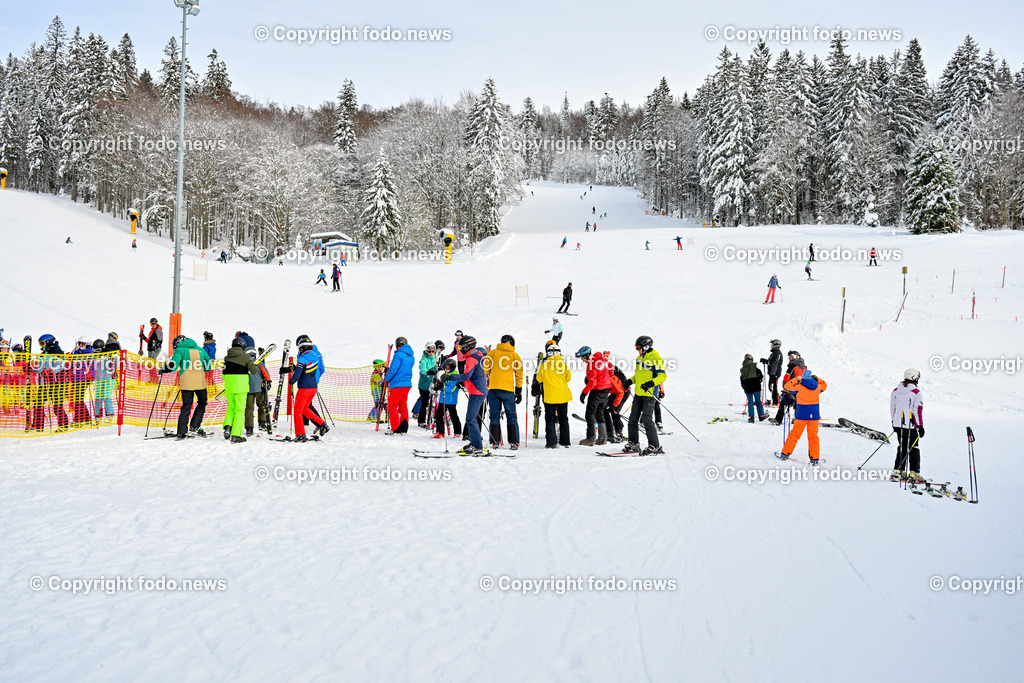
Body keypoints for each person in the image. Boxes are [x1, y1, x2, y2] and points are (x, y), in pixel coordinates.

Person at [440, 335, 488, 455]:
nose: (460, 350)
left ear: (468, 346)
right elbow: (474, 374)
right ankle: (474, 443)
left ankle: (477, 446)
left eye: (461, 347)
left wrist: (450, 377)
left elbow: (467, 376)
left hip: (477, 392)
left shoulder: (472, 359)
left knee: (470, 419)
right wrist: (463, 383)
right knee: (471, 418)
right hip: (477, 390)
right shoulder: (478, 355)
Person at [160, 335, 213, 439]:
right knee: (202, 402)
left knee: (186, 406)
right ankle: (195, 425)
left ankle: (182, 431)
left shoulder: (180, 350)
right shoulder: (200, 350)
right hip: (200, 382)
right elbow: (208, 366)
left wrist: (164, 369)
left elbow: (173, 365)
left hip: (187, 383)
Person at [624, 335, 666, 455]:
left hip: (649, 394)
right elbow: (638, 376)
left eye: (638, 347)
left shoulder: (656, 358)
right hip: (638, 393)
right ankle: (634, 443)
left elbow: (662, 376)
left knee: (647, 419)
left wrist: (650, 383)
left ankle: (654, 446)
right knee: (632, 419)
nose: (637, 350)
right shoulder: (639, 358)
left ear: (646, 347)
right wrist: (629, 381)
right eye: (636, 347)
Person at [777, 370, 827, 464]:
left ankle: (785, 453)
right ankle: (815, 458)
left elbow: (787, 386)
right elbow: (824, 384)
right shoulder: (818, 387)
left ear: (803, 378)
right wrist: (817, 380)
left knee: (794, 435)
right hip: (814, 415)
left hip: (802, 415)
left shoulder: (799, 387)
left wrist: (797, 379)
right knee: (813, 437)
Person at [483, 334, 523, 449]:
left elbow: (486, 370)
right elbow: (519, 373)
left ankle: (495, 441)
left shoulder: (492, 353)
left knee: (494, 415)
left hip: (494, 389)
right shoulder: (514, 355)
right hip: (508, 390)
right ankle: (514, 442)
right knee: (511, 415)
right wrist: (518, 390)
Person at [287, 334, 329, 442]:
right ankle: (322, 424)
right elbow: (308, 370)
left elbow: (297, 375)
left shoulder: (302, 358)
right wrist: (297, 368)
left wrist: (291, 381)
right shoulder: (315, 356)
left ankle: (300, 434)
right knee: (305, 409)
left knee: (297, 411)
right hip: (313, 387)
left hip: (304, 389)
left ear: (302, 348)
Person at [222, 337, 260, 443]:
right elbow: (254, 371)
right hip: (241, 387)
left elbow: (223, 372)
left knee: (231, 408)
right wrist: (252, 365)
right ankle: (236, 435)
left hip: (229, 387)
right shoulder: (246, 357)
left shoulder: (226, 358)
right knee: (239, 410)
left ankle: (228, 427)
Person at [535, 343, 572, 448]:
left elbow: (539, 378)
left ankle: (551, 442)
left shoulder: (544, 365)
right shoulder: (563, 365)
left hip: (550, 396)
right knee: (563, 419)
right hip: (563, 395)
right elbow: (568, 378)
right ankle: (565, 441)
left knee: (550, 419)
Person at [890, 368, 924, 480]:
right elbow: (917, 410)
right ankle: (914, 472)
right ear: (914, 378)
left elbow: (892, 408)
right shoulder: (916, 393)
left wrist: (893, 422)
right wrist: (920, 426)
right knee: (914, 447)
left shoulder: (895, 391)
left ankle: (898, 470)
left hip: (898, 424)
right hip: (911, 425)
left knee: (902, 447)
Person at [577, 346, 613, 445]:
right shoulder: (604, 360)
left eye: (582, 358)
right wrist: (604, 379)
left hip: (597, 390)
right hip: (606, 390)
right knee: (599, 413)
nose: (583, 361)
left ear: (586, 356)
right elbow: (611, 372)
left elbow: (592, 382)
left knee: (590, 414)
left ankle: (591, 438)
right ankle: (602, 438)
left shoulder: (591, 364)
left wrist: (584, 393)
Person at [37, 334, 70, 432]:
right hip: (45, 383)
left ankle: (63, 425)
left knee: (57, 405)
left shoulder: (57, 352)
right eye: (40, 344)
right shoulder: (43, 354)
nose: (41, 346)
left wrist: (51, 371)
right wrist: (38, 369)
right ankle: (38, 426)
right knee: (38, 403)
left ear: (49, 342)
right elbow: (39, 367)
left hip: (57, 383)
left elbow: (60, 365)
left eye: (42, 343)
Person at [384, 336, 415, 434]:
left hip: (397, 384)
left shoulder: (398, 355)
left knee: (392, 406)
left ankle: (395, 428)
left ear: (398, 346)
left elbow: (393, 369)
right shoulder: (411, 356)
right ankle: (404, 428)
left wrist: (386, 379)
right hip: (407, 384)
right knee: (403, 406)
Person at [770, 351, 806, 424]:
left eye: (790, 356)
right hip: (800, 389)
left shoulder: (792, 366)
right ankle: (798, 419)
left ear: (795, 357)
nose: (789, 358)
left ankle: (778, 420)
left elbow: (786, 378)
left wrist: (785, 387)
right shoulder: (804, 367)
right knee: (797, 405)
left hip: (791, 388)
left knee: (783, 403)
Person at [245, 346, 272, 436]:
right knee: (261, 405)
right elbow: (265, 372)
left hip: (248, 389)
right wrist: (268, 381)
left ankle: (249, 428)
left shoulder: (244, 363)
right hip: (259, 388)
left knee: (249, 408)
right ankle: (262, 423)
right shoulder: (258, 362)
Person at [431, 358, 462, 439]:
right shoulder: (444, 375)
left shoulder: (455, 376)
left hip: (451, 400)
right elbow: (442, 384)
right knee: (438, 414)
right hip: (443, 399)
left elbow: (451, 389)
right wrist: (438, 386)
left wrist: (443, 387)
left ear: (452, 367)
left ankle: (457, 432)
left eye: (448, 367)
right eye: (444, 367)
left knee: (453, 415)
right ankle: (440, 432)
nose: (446, 369)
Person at [417, 341, 439, 428]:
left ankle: (434, 419)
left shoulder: (435, 358)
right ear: (426, 351)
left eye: (433, 351)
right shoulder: (424, 359)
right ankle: (421, 420)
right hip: (424, 385)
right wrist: (427, 372)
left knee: (434, 402)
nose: (431, 353)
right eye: (429, 352)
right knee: (425, 403)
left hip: (433, 383)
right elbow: (422, 368)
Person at [740, 354, 767, 423]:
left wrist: (744, 387)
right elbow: (760, 374)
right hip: (756, 385)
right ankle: (761, 415)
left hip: (747, 386)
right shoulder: (755, 365)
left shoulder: (742, 369)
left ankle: (751, 417)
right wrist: (759, 381)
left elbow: (741, 380)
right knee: (758, 401)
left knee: (750, 402)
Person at [761, 339, 783, 405]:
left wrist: (765, 361)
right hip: (773, 373)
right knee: (771, 387)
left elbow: (771, 362)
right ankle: (776, 400)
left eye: (772, 344)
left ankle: (776, 402)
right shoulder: (774, 353)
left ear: (776, 345)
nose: (771, 346)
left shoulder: (777, 353)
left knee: (773, 388)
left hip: (775, 373)